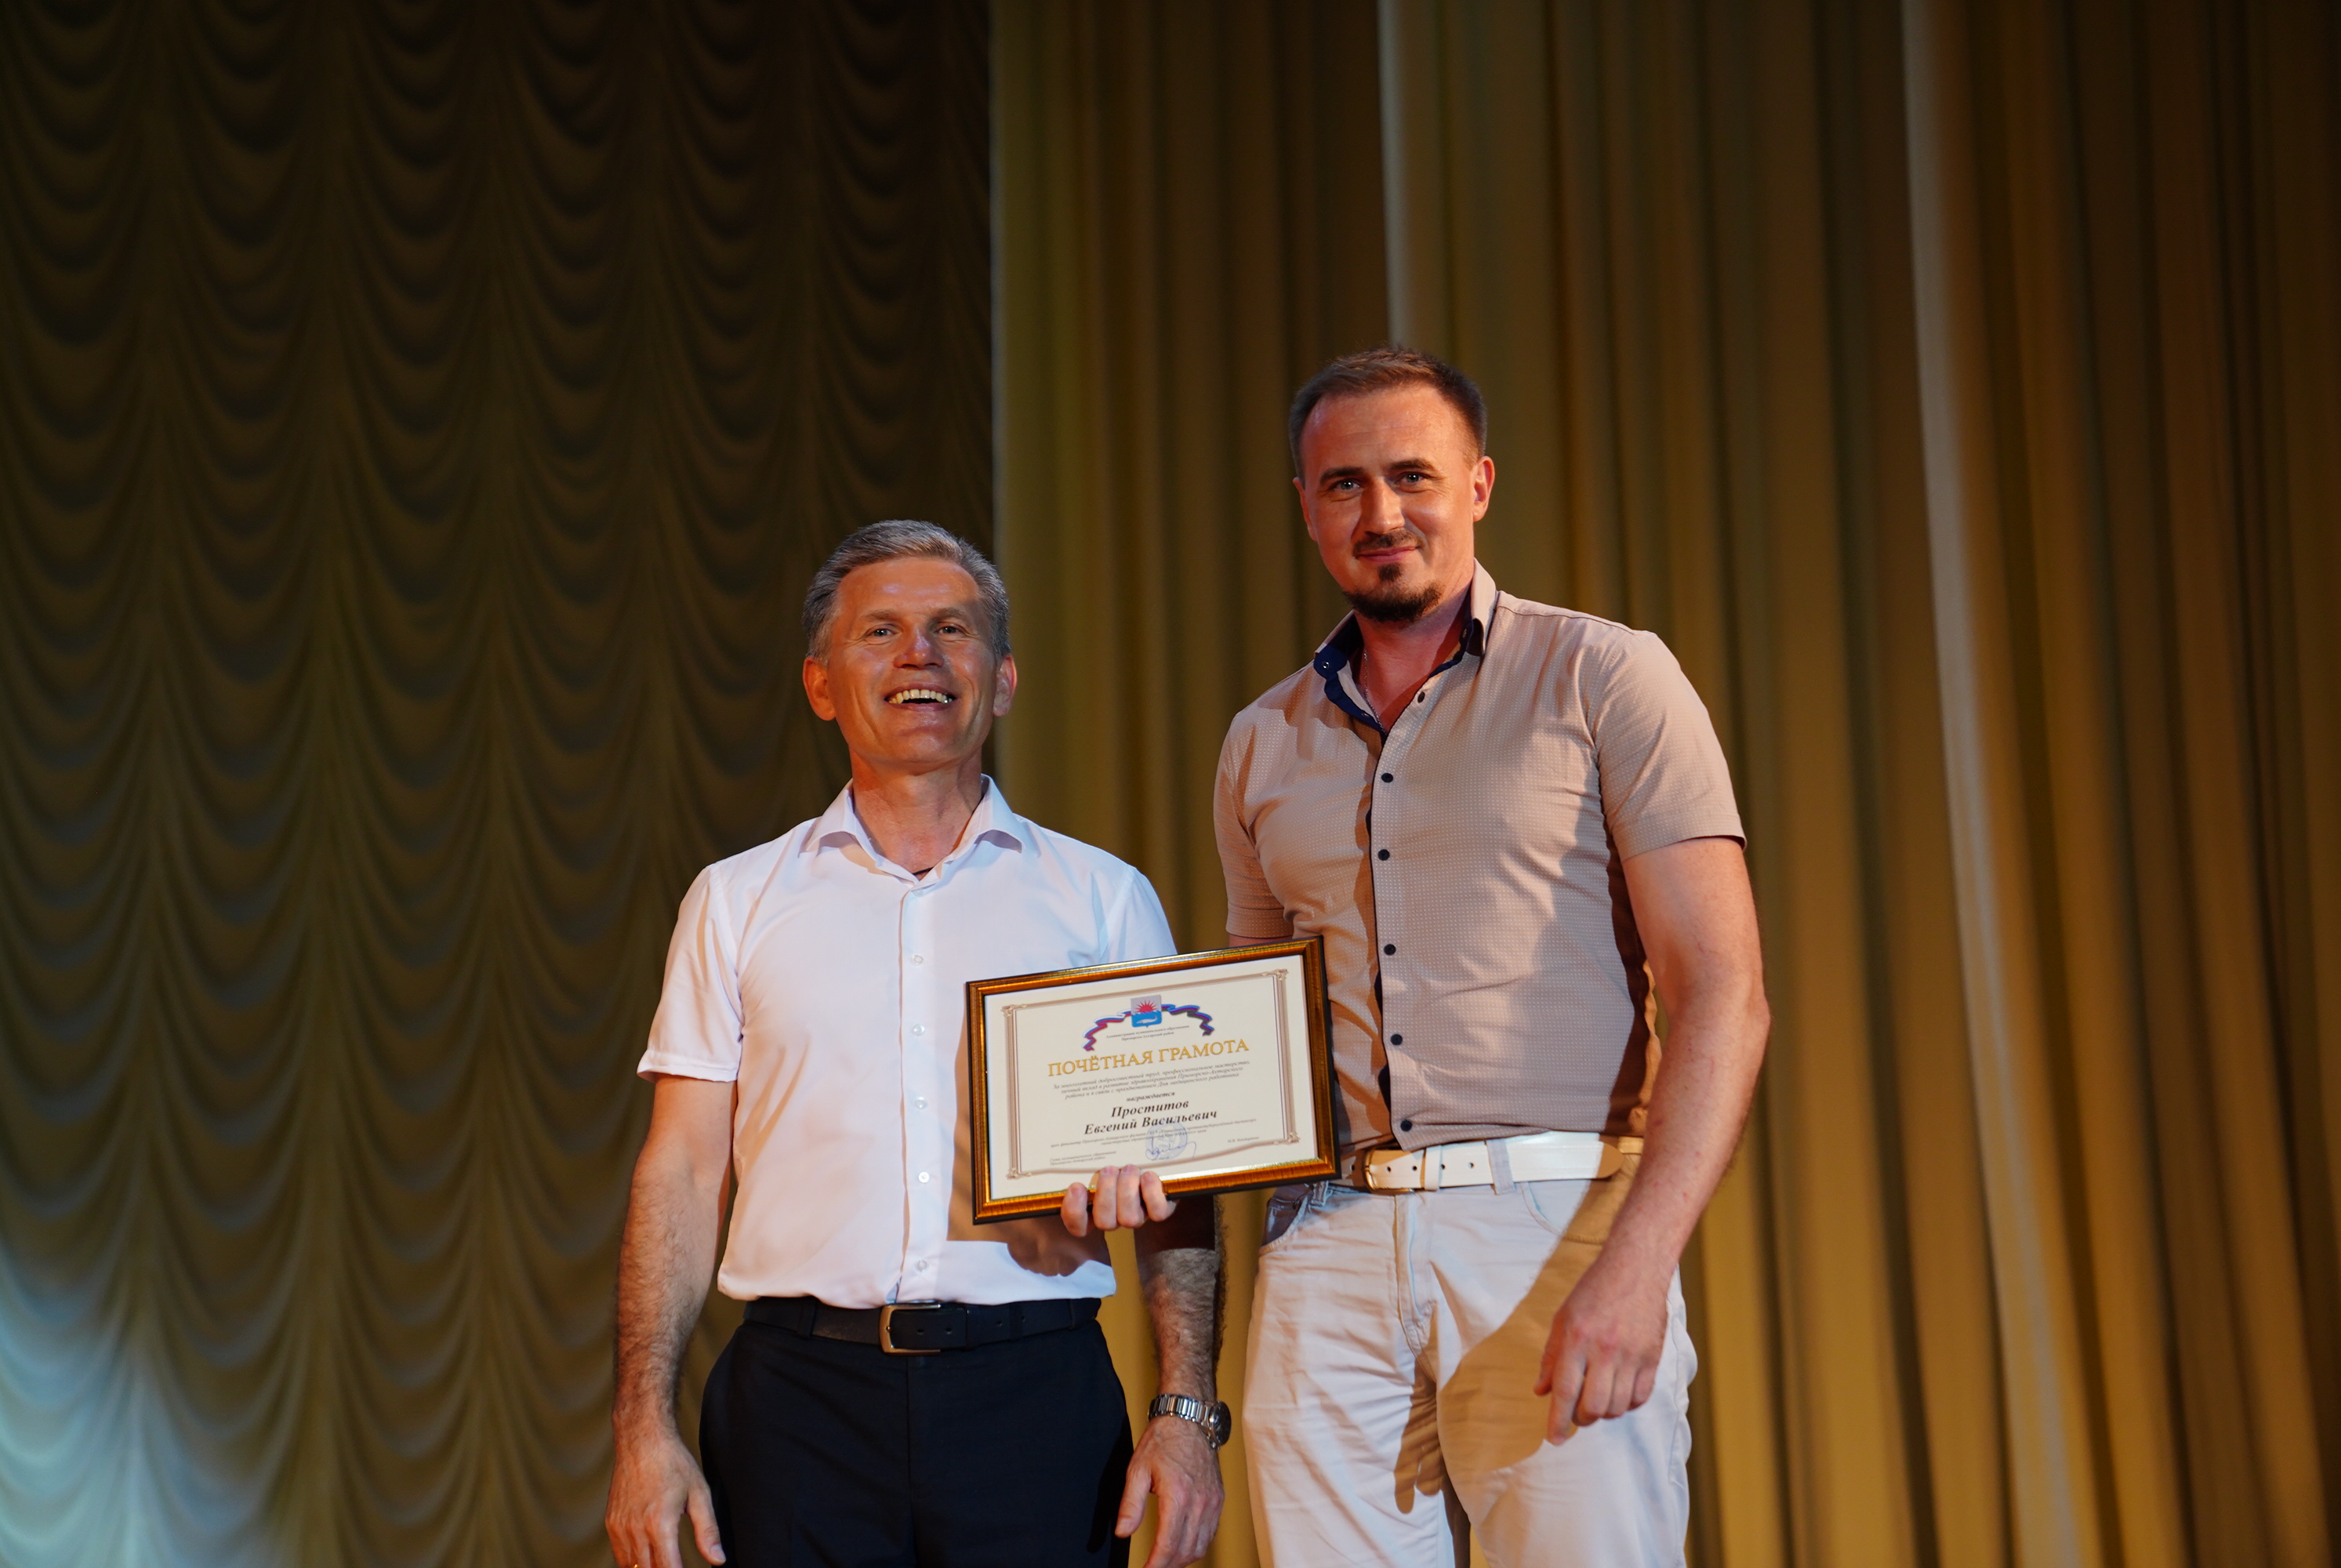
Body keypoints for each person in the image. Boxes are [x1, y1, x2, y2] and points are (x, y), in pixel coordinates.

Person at [1103, 348, 1769, 1565]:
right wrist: (1133, 1135)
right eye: (1344, 484)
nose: (1382, 512)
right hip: (1326, 1242)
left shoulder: (1605, 674)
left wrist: (1637, 1265)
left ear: (1478, 485)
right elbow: (1256, 1041)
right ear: (1306, 508)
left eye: (1412, 475)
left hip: (1553, 1223)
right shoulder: (1261, 741)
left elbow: (1725, 994)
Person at [605, 521, 1227, 1568]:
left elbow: (1182, 1177)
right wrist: (640, 1428)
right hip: (796, 1409)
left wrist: (1186, 1409)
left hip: (1038, 1401)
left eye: (952, 628)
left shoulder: (1103, 898)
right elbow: (682, 1167)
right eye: (880, 631)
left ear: (1005, 679)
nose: (920, 654)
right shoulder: (734, 899)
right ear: (820, 685)